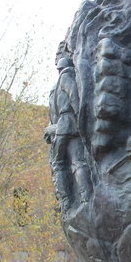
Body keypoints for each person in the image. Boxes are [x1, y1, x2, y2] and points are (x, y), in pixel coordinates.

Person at [49, 55, 91, 211]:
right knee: (77, 162)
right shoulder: (65, 79)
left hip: (66, 124)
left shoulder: (65, 77)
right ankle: (83, 197)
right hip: (68, 124)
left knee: (59, 163)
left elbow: (73, 96)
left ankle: (68, 201)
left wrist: (79, 115)